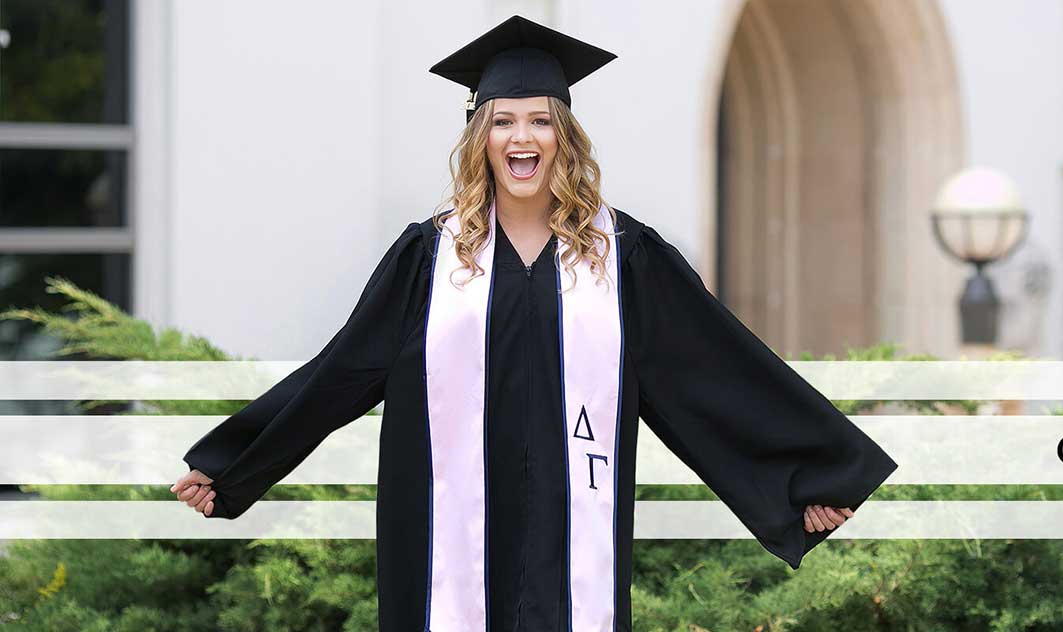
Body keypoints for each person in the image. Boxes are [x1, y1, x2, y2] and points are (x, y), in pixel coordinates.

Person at [169, 14, 897, 632]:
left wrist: (808, 482)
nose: (524, 137)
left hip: (567, 557)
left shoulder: (625, 258)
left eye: (541, 120)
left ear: (565, 136)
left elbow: (715, 374)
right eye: (505, 121)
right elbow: (337, 376)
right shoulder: (429, 257)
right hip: (442, 558)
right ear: (481, 136)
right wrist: (232, 465)